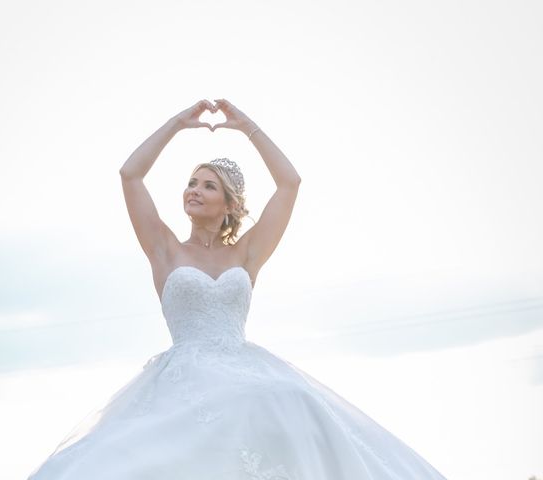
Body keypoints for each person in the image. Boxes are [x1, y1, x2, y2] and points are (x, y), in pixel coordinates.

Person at [28, 99, 447, 479]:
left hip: (245, 371)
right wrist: (178, 124)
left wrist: (247, 126)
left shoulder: (246, 255)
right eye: (192, 182)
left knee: (288, 396)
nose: (194, 190)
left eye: (208, 185)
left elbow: (290, 183)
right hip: (185, 379)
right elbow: (130, 174)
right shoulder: (165, 250)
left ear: (230, 205)